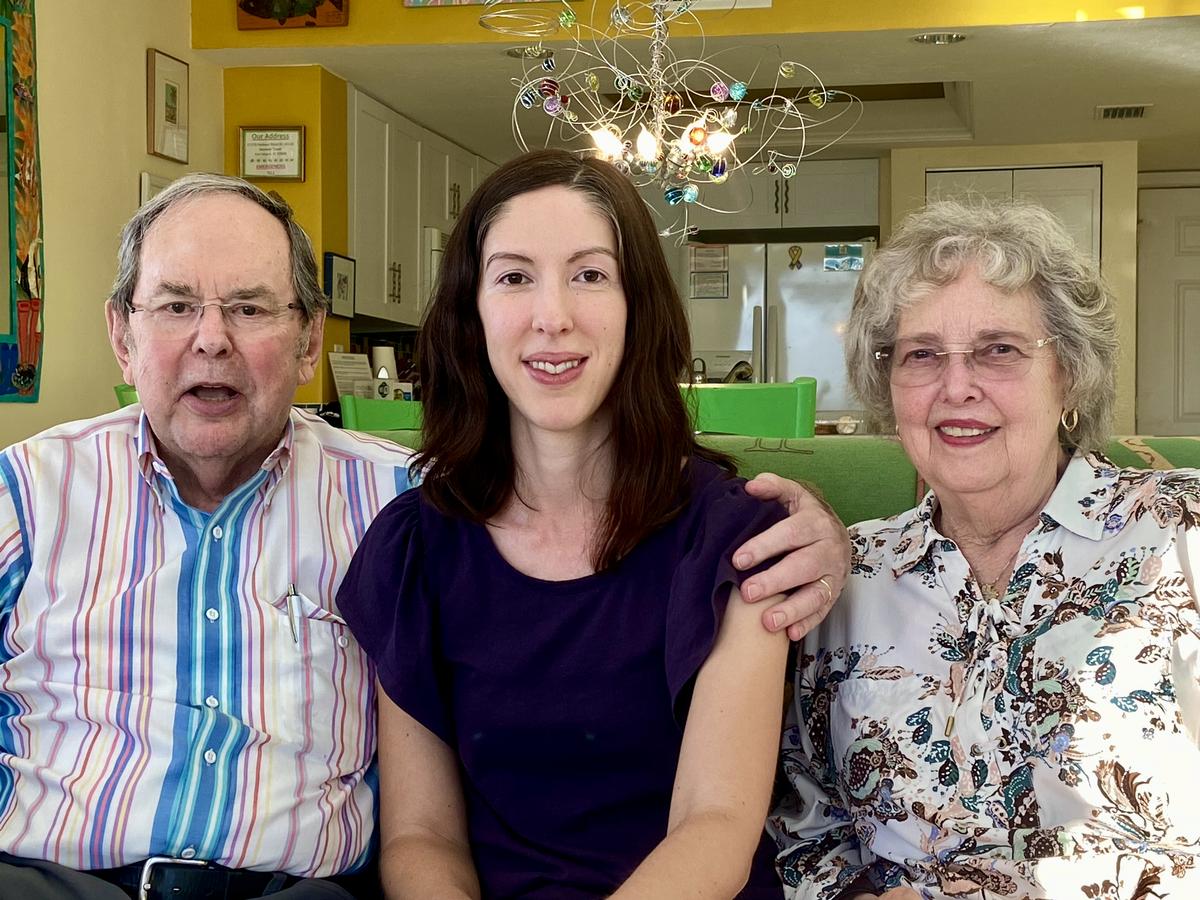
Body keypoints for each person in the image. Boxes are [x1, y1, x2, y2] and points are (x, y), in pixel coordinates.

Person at [0, 172, 850, 900]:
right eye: (176, 305)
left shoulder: (393, 498)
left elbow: (716, 821)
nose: (211, 339)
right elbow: (422, 836)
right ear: (122, 334)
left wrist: (833, 533)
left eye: (251, 307)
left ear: (308, 340)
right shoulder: (27, 494)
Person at [335, 149, 812, 898]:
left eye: (590, 275)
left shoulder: (735, 538)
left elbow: (716, 825)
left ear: (637, 306)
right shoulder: (412, 548)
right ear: (472, 311)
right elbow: (420, 835)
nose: (552, 317)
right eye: (514, 277)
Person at [769, 200, 1200, 899]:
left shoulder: (1180, 531)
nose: (957, 387)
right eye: (922, 355)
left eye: (999, 349)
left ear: (1069, 373)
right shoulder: (848, 574)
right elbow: (804, 826)